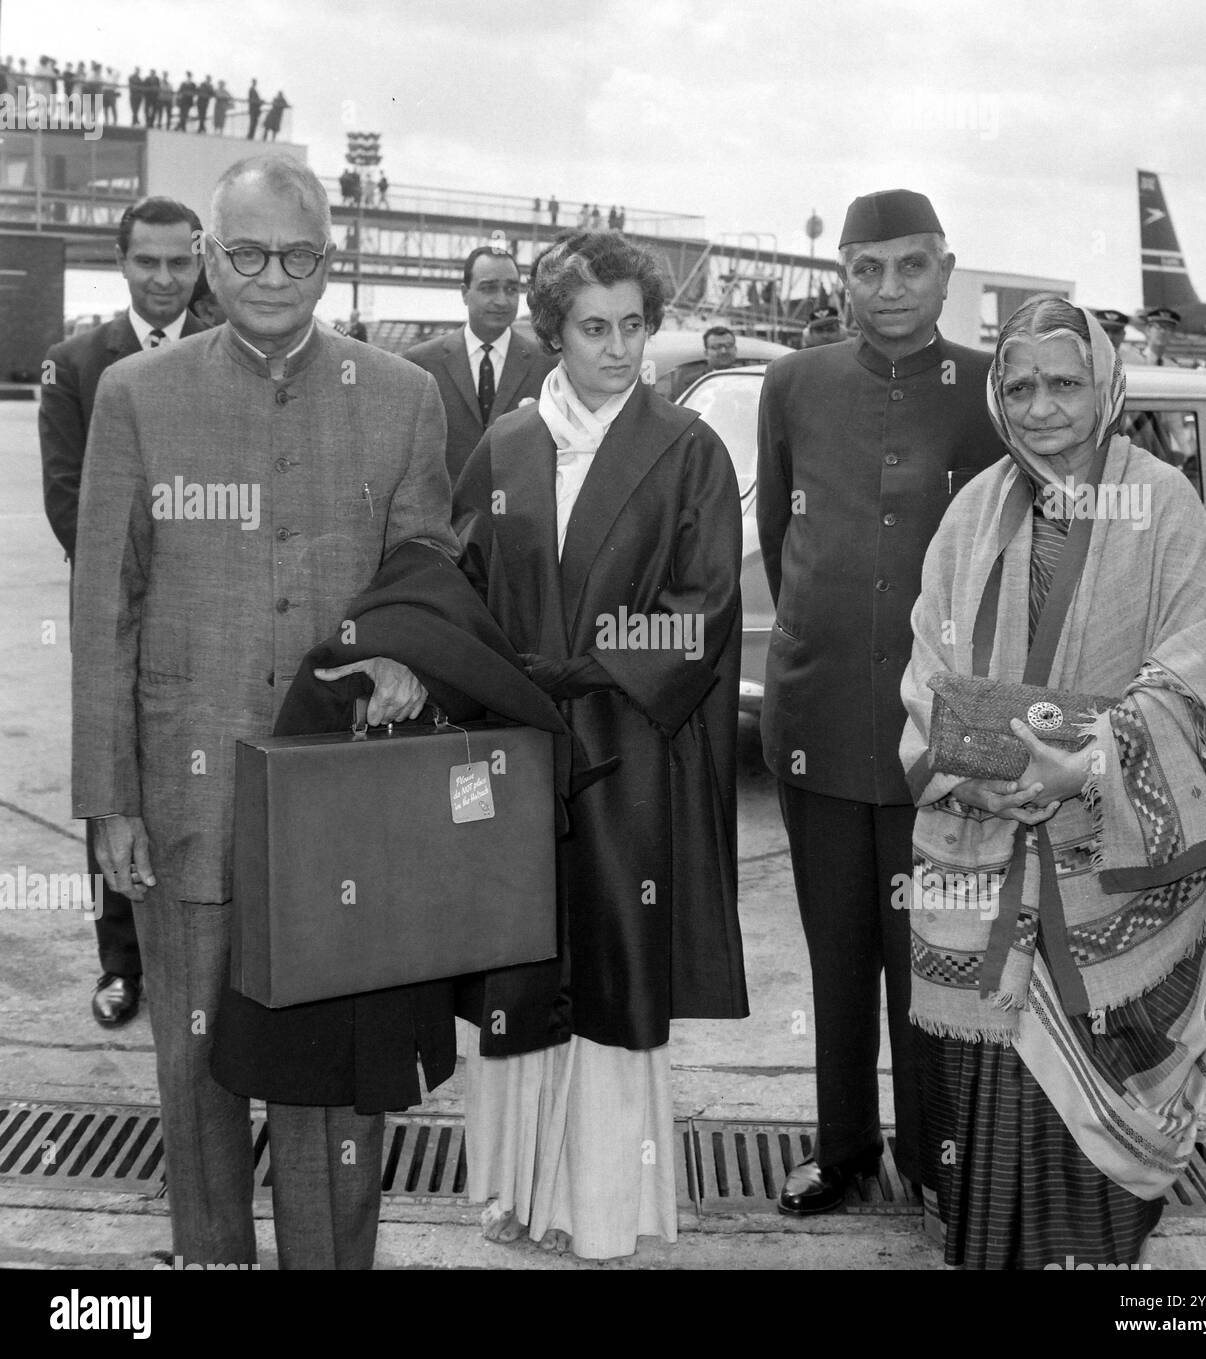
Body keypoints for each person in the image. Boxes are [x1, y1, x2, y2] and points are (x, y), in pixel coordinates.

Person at [69, 155, 463, 1269]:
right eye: (245, 252)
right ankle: (208, 1259)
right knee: (195, 1070)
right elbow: (105, 607)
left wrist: (411, 670)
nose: (271, 276)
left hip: (342, 807)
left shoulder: (402, 399)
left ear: (330, 264)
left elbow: (427, 584)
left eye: (297, 255)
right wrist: (108, 800)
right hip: (183, 794)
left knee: (333, 1075)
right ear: (209, 258)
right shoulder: (135, 398)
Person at [899, 295, 1206, 1269]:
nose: (1042, 405)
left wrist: (1089, 763)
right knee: (989, 1119)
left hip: (1112, 876)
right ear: (997, 398)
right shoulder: (974, 513)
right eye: (1020, 385)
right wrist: (970, 778)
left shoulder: (1163, 506)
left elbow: (1192, 677)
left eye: (1064, 382)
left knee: (1091, 1184)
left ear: (1106, 388)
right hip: (983, 860)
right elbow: (925, 672)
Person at [452, 229, 747, 1259]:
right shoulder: (504, 447)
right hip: (521, 756)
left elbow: (701, 613)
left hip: (628, 752)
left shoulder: (688, 450)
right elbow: (465, 589)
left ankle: (602, 1213)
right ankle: (516, 1196)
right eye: (592, 328)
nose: (617, 349)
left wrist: (576, 667)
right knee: (518, 973)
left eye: (633, 326)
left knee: (613, 980)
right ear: (552, 330)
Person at [757, 189, 1006, 1216]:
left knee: (933, 955)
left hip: (942, 734)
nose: (890, 287)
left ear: (947, 271)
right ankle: (845, 1148)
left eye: (911, 266)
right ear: (841, 278)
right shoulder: (794, 382)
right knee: (836, 950)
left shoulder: (993, 388)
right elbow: (782, 537)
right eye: (869, 267)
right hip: (818, 715)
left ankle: (938, 1155)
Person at [39, 196, 208, 1031]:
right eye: (149, 261)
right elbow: (70, 503)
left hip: (214, 611)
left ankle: (210, 961)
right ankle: (120, 962)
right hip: (114, 610)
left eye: (181, 261)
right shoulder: (77, 365)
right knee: (114, 771)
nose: (166, 278)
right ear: (122, 262)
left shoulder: (231, 352)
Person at [402, 245, 556, 483]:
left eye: (511, 289)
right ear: (464, 292)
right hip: (445, 515)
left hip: (517, 515)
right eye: (489, 288)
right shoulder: (421, 364)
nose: (502, 300)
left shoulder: (547, 366)